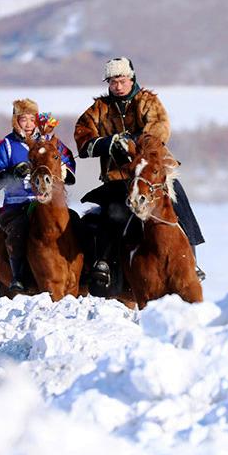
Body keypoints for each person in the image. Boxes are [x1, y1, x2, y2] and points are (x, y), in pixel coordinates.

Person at [74, 57, 205, 292]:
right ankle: (102, 263)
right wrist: (109, 143)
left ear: (131, 79)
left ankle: (192, 262)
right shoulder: (99, 109)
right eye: (112, 81)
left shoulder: (148, 101)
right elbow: (83, 139)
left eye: (121, 80)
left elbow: (159, 129)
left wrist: (133, 143)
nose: (117, 85)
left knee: (179, 205)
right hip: (118, 177)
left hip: (153, 174)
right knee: (111, 212)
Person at [0, 99, 76, 293]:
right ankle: (19, 275)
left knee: (74, 222)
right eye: (24, 119)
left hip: (49, 204)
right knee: (19, 230)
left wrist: (64, 170)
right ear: (16, 121)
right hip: (18, 204)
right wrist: (12, 173)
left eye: (32, 119)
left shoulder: (50, 142)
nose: (29, 124)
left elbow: (68, 161)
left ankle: (81, 271)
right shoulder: (5, 145)